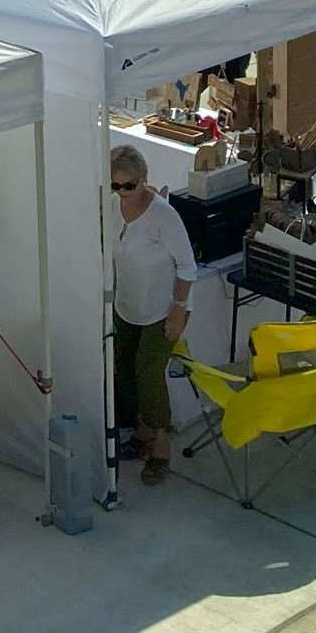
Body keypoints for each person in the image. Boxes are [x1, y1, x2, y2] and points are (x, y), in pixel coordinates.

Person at [109, 144, 195, 488]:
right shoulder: (111, 206)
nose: (122, 193)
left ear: (144, 181)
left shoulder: (163, 215)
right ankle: (142, 431)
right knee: (125, 369)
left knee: (149, 372)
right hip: (127, 305)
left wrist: (179, 310)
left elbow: (187, 266)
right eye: (115, 186)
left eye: (128, 186)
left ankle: (161, 444)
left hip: (162, 308)